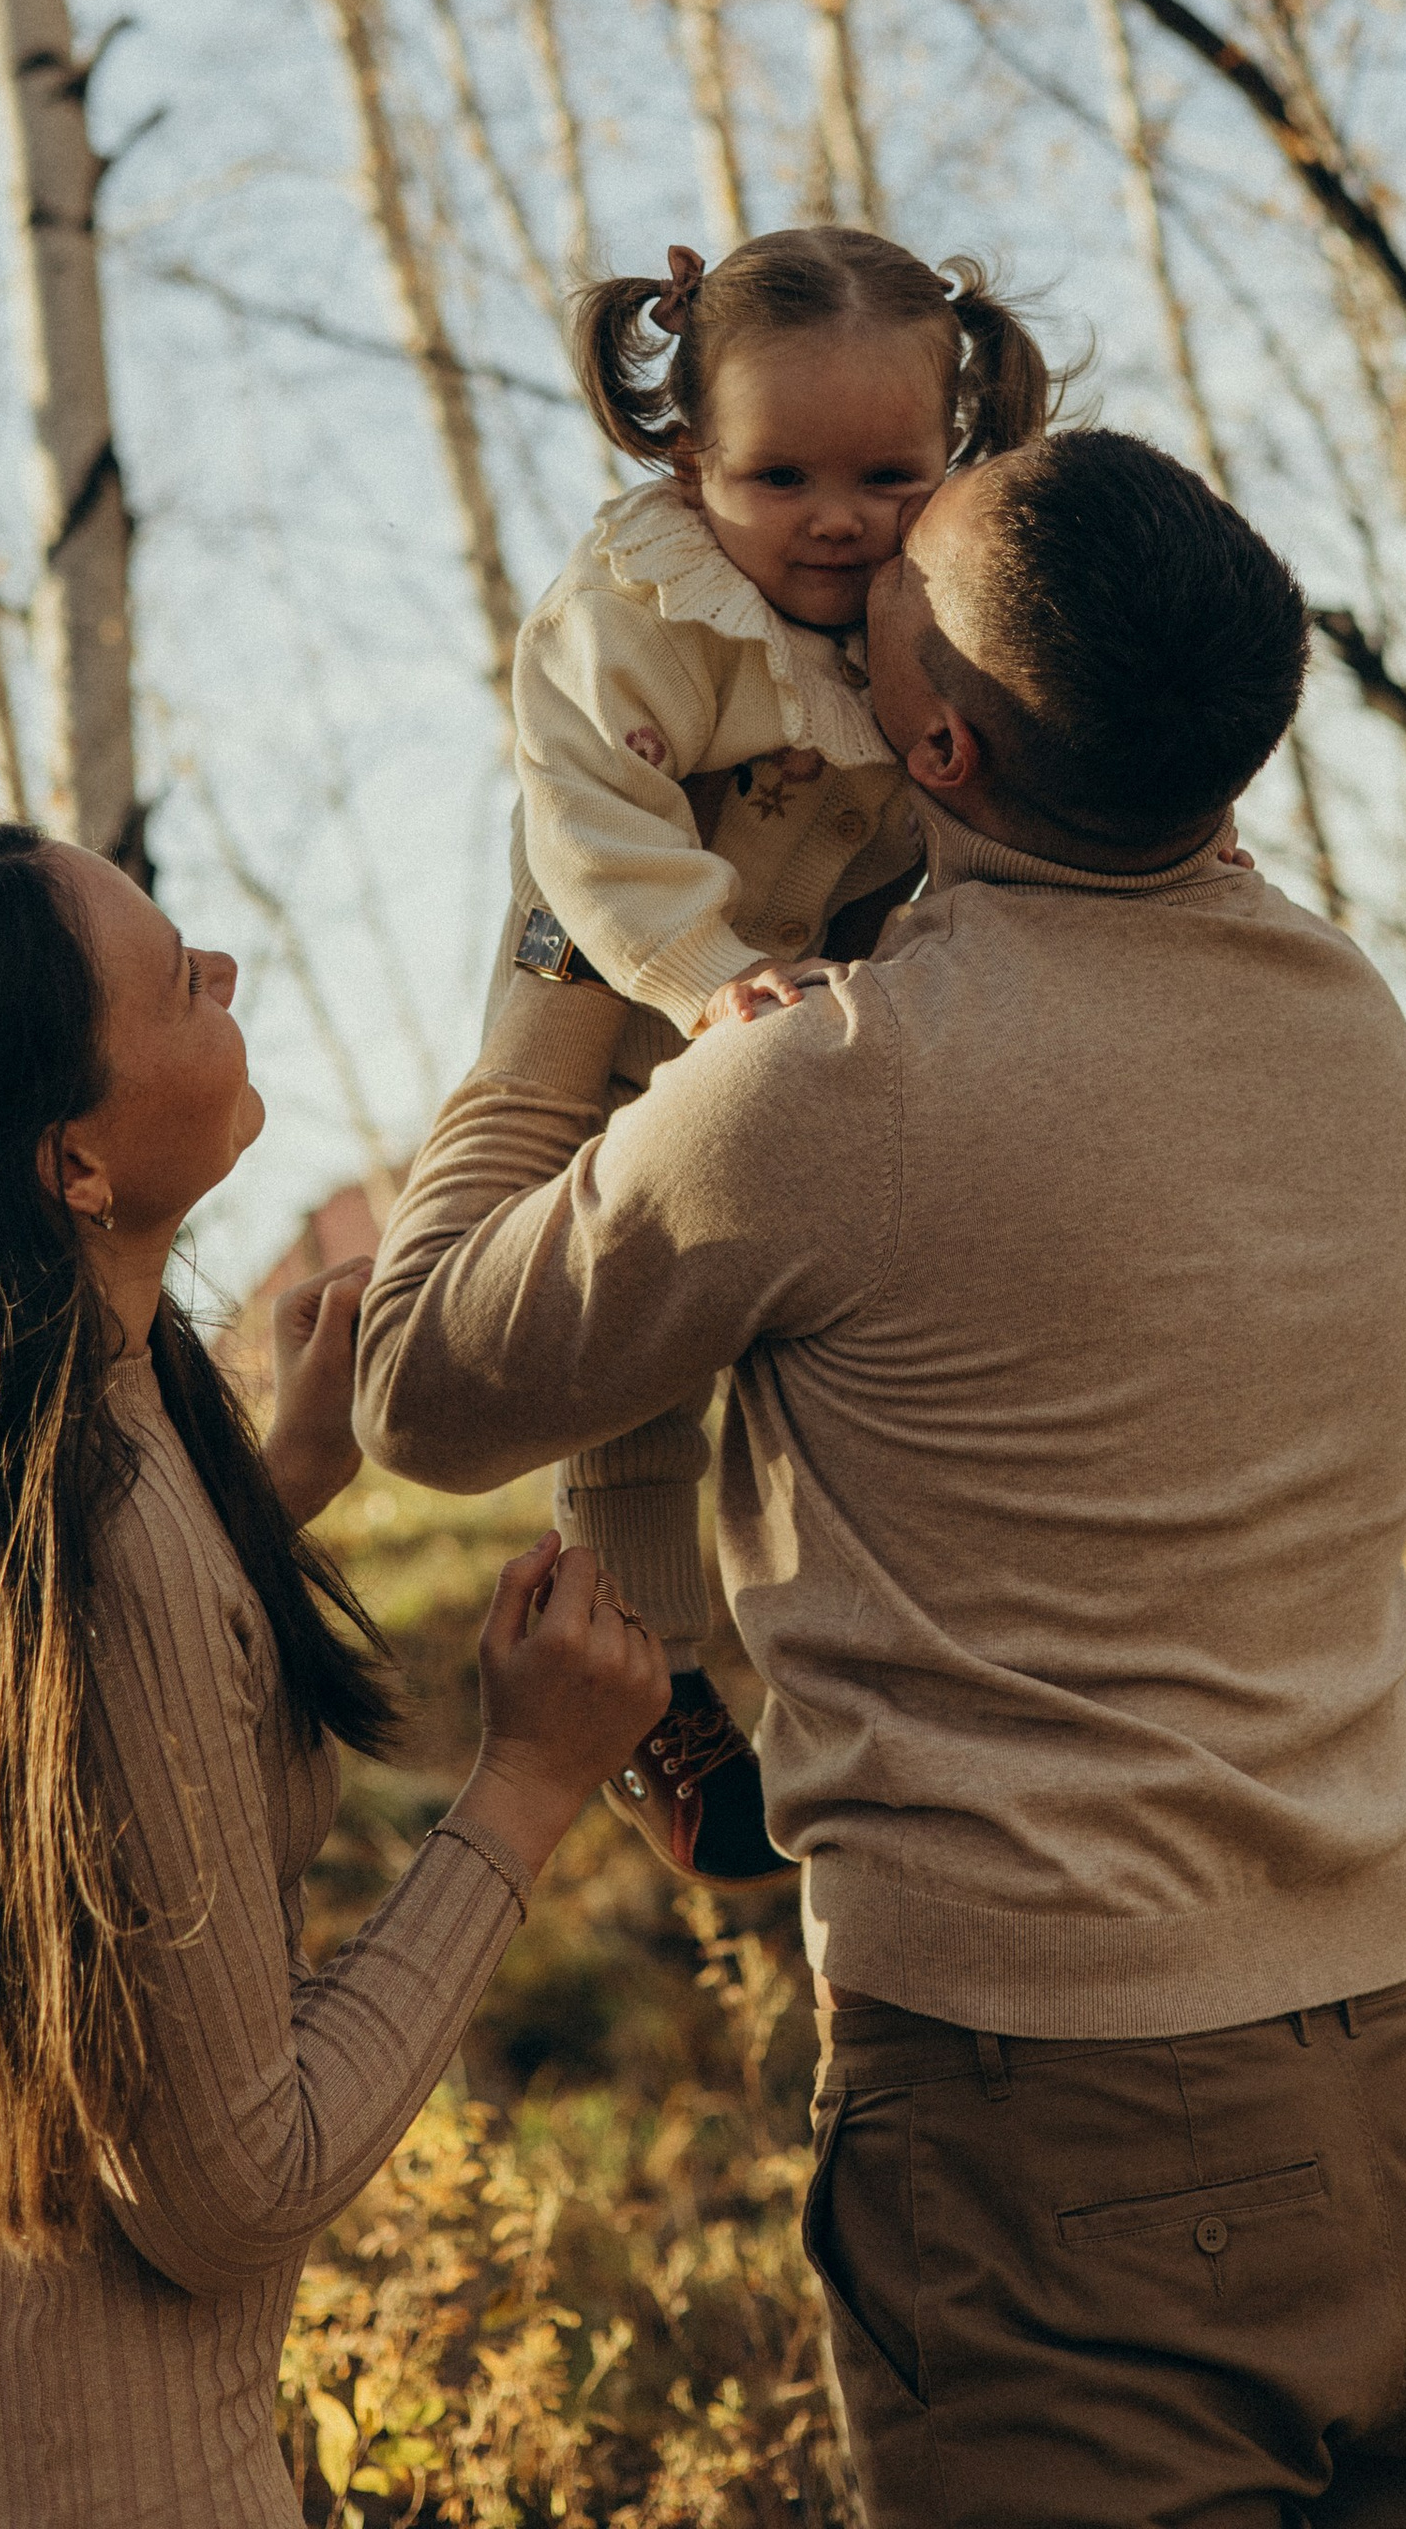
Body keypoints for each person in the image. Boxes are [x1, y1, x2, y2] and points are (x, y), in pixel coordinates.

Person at [360, 431, 1406, 2527]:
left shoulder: (843, 1084)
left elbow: (422, 1387)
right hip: (1374, 2092)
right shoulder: (1349, 1014)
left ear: (937, 747)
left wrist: (558, 967)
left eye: (881, 589)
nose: (843, 568)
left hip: (1041, 2127)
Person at [0, 824, 666, 2529]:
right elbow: (234, 2191)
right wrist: (526, 1787)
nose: (218, 969)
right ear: (74, 1161)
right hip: (30, 2441)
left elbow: (71, 1714)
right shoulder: (97, 1529)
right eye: (169, 980)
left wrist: (271, 1491)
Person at [497, 223, 1052, 1881]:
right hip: (629, 1001)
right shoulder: (638, 608)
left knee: (866, 1338)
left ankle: (905, 1667)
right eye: (779, 477)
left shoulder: (950, 592)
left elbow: (1030, 738)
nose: (836, 519)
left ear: (953, 447)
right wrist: (704, 978)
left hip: (846, 998)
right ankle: (650, 1681)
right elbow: (583, 817)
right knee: (634, 1362)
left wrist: (1152, 835)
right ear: (689, 460)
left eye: (888, 475)